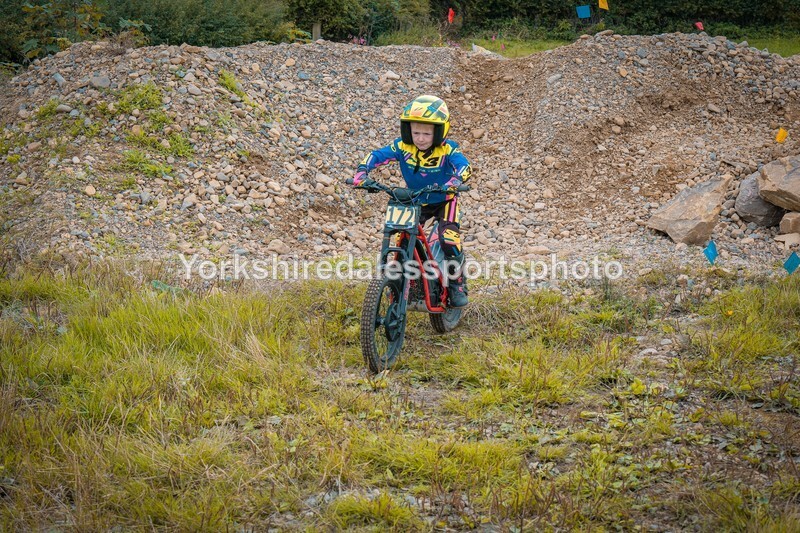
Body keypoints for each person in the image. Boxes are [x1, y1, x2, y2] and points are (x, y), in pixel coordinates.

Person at [352, 95, 473, 307]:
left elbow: (464, 166)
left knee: (449, 238)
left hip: (445, 200)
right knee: (402, 235)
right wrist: (362, 172)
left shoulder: (448, 149)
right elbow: (376, 155)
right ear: (407, 130)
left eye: (427, 133)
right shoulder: (402, 146)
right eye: (416, 132)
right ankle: (405, 280)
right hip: (416, 198)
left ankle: (458, 283)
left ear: (440, 131)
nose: (421, 138)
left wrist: (455, 180)